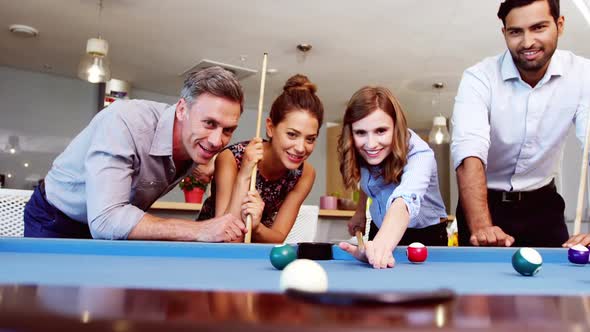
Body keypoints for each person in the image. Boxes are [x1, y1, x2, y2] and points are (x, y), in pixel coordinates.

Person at [24, 66, 248, 242]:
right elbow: (105, 219)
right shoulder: (125, 121)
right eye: (209, 123)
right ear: (182, 110)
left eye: (228, 130)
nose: (217, 141)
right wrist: (200, 230)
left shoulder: (195, 145)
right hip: (55, 220)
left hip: (112, 231)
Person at [451, 0, 590, 248]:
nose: (527, 42)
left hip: (543, 206)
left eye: (538, 27)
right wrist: (482, 227)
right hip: (484, 205)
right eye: (516, 31)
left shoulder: (583, 75)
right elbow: (469, 154)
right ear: (504, 33)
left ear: (559, 25)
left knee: (555, 285)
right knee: (480, 286)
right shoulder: (478, 78)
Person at [197, 74, 324, 243]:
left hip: (254, 252)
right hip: (208, 250)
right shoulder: (230, 158)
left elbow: (278, 238)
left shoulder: (305, 173)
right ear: (270, 127)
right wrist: (245, 175)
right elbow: (225, 238)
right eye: (292, 134)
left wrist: (256, 227)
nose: (301, 148)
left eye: (310, 139)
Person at [337, 86, 447, 269]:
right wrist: (360, 211)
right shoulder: (362, 151)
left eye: (381, 131)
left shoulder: (420, 154)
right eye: (361, 132)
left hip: (425, 236)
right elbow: (368, 181)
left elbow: (404, 201)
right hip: (379, 230)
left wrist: (381, 245)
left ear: (396, 127)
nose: (371, 144)